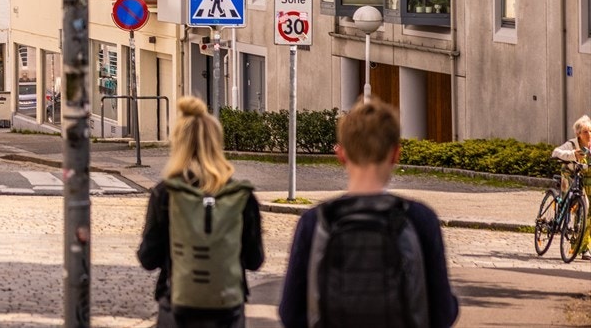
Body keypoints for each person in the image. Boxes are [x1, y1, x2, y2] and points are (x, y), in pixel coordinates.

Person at [277, 99, 459, 328]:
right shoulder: (420, 219)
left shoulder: (315, 222)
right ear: (395, 155)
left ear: (341, 155)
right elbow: (443, 313)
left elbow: (290, 313)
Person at [138, 97, 263, 328]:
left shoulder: (166, 194)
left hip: (177, 307)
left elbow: (148, 258)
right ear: (217, 143)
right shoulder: (241, 196)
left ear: (178, 143)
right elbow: (255, 261)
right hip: (228, 311)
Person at [550, 114, 591, 259]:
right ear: (578, 134)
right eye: (586, 132)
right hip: (570, 174)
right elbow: (556, 152)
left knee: (586, 209)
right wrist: (573, 154)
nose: (589, 134)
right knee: (575, 201)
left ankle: (583, 246)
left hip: (586, 177)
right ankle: (565, 212)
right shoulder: (572, 144)